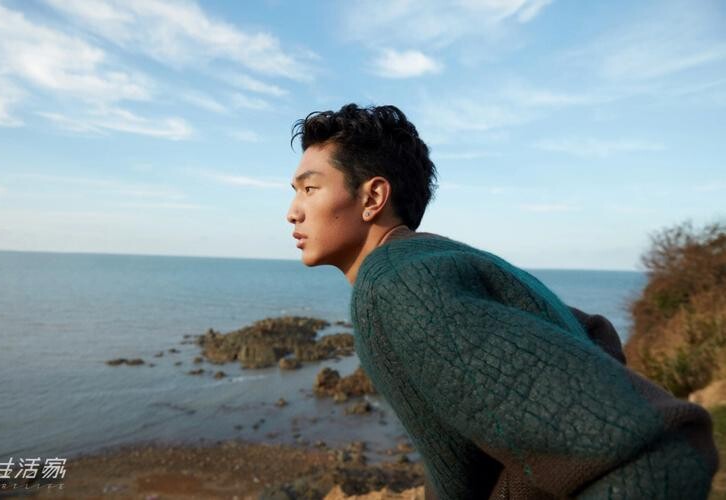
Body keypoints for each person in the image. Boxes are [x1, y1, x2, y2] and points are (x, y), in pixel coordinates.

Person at [285, 104, 718, 499]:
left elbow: (657, 455)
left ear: (372, 198)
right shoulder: (443, 259)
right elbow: (594, 336)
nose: (292, 211)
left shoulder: (399, 283)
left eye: (310, 189)